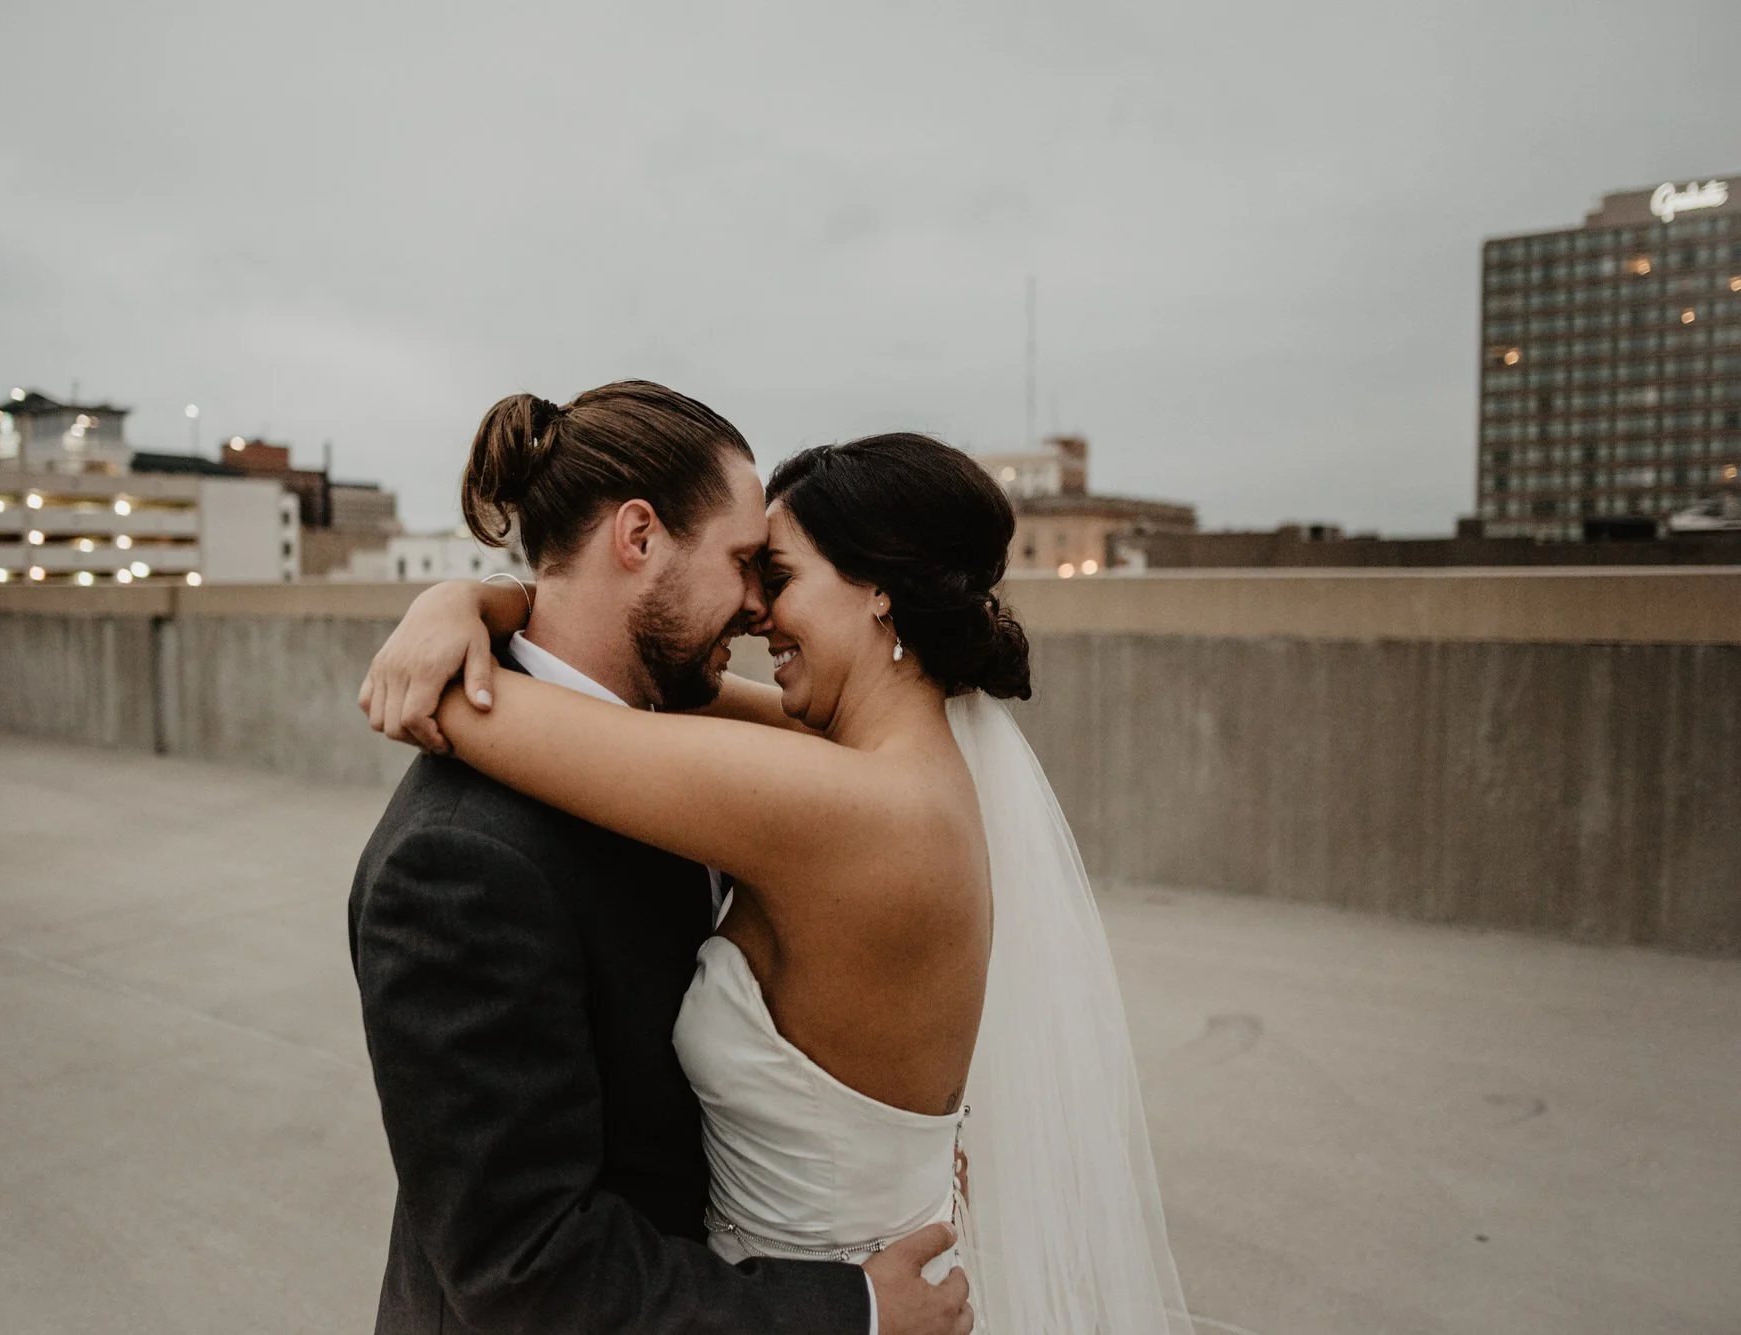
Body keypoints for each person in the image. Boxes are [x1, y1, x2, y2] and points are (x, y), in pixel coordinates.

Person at [360, 396, 1193, 1332]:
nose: (757, 609)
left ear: (879, 587)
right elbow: (522, 1264)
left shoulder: (847, 806)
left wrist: (447, 618)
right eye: (747, 565)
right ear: (637, 535)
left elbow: (471, 704)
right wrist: (475, 600)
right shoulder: (856, 761)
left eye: (778, 572)